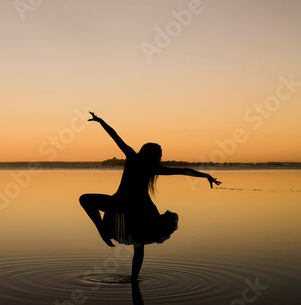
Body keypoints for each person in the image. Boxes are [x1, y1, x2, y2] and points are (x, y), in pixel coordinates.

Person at [79, 112, 221, 279]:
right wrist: (206, 176)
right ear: (153, 155)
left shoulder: (138, 160)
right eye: (159, 155)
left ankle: (132, 277)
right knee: (138, 245)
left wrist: (100, 121)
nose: (161, 157)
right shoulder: (143, 163)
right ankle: (130, 274)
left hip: (132, 206)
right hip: (133, 206)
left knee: (86, 200)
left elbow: (115, 136)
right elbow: (183, 171)